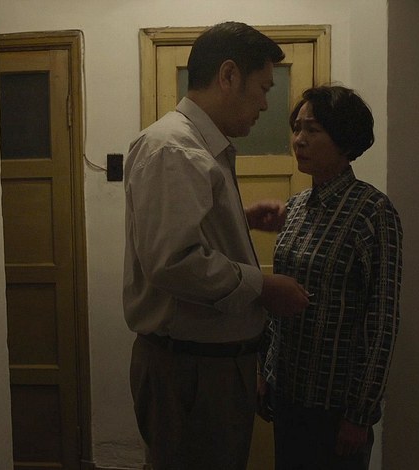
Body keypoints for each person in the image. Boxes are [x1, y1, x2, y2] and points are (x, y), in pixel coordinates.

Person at [123, 21, 310, 470]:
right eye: (263, 88)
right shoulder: (177, 148)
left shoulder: (195, 146)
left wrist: (236, 219)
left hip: (202, 367)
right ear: (228, 76)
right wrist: (264, 286)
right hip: (191, 372)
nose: (265, 104)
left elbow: (177, 231)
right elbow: (173, 261)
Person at [260, 86, 403, 470]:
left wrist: (361, 412)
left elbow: (382, 320)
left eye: (313, 130)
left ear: (344, 139)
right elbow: (278, 305)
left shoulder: (373, 211)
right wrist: (265, 371)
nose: (299, 140)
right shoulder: (296, 207)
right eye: (296, 128)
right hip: (287, 393)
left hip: (336, 404)